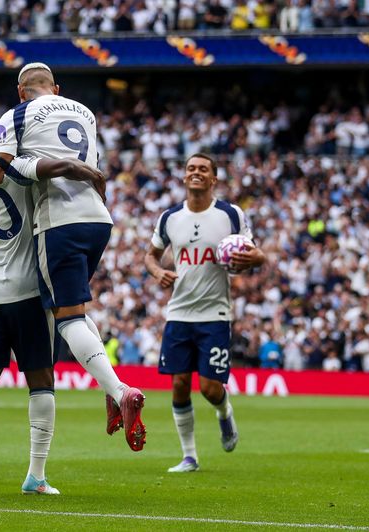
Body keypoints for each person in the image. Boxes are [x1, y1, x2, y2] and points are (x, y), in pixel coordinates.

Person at [0, 63, 146, 452]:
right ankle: (109, 387)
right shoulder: (84, 112)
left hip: (59, 221)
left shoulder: (16, 115)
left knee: (65, 317)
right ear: (56, 88)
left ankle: (120, 390)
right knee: (78, 308)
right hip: (98, 220)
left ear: (20, 92)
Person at [0, 124, 106, 496]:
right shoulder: (18, 168)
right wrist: (93, 172)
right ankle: (36, 476)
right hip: (26, 288)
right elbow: (59, 167)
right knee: (42, 381)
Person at [144, 153, 266, 473]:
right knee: (180, 384)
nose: (195, 173)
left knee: (210, 389)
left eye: (203, 170)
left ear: (214, 179)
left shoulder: (230, 214)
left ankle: (224, 413)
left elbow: (257, 254)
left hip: (215, 313)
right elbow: (150, 256)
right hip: (179, 312)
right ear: (184, 177)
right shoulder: (170, 217)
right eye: (191, 169)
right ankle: (189, 456)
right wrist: (157, 272)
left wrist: (249, 260)